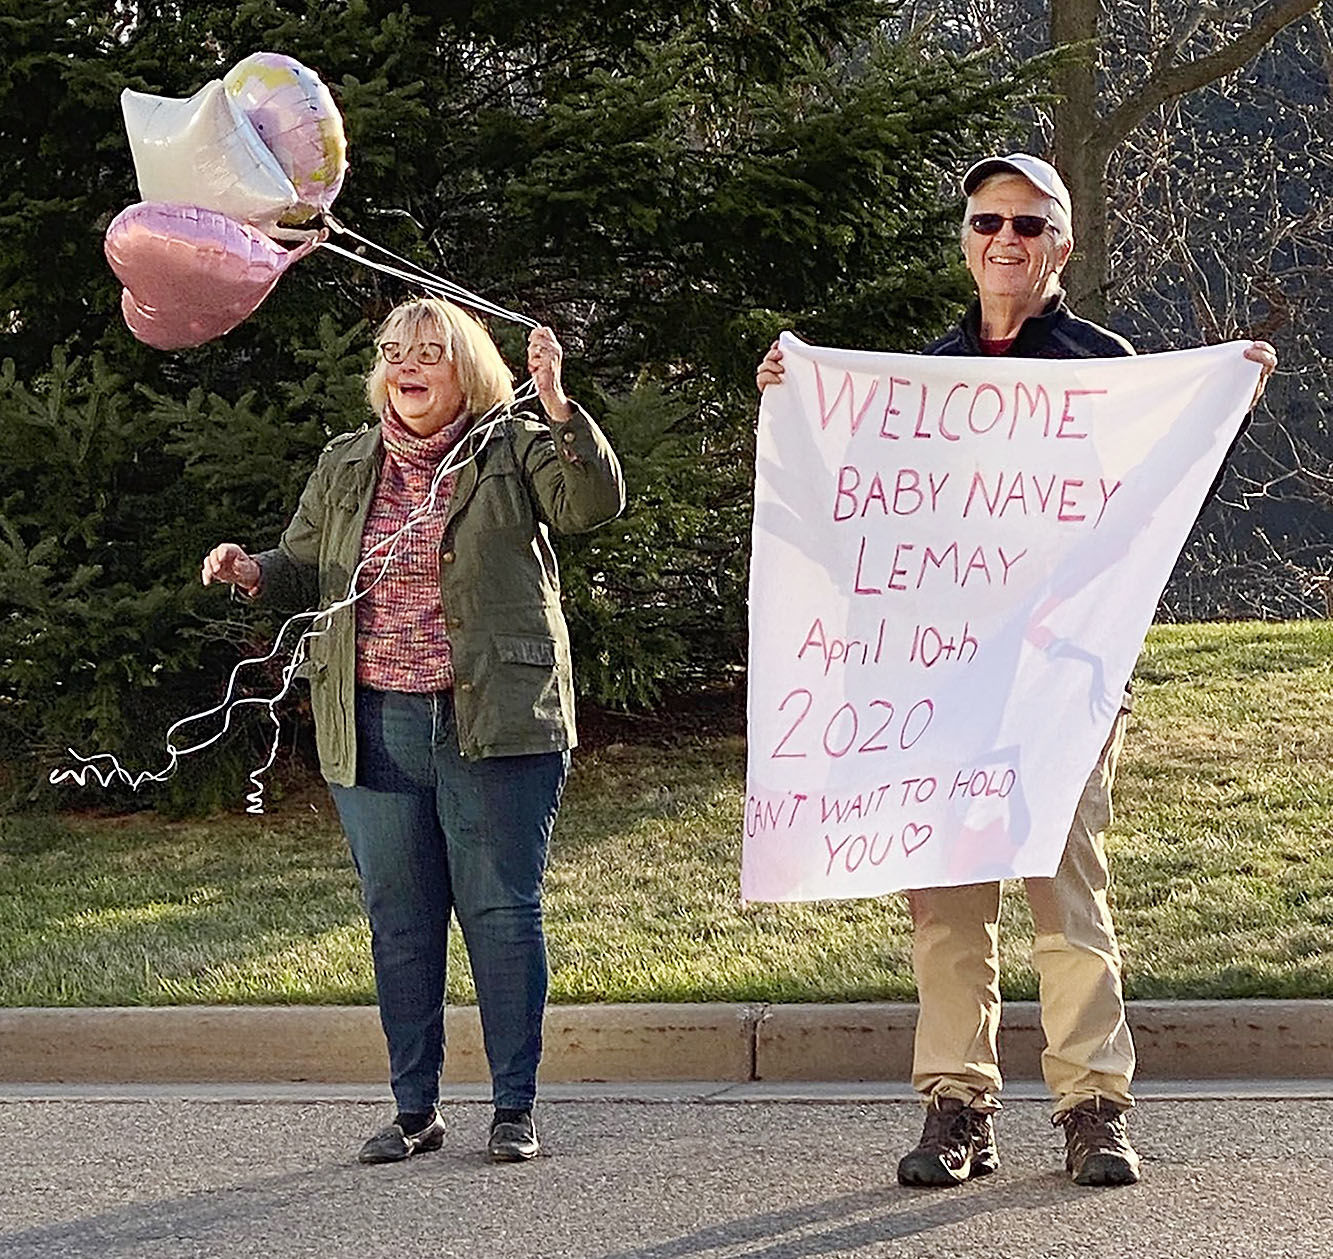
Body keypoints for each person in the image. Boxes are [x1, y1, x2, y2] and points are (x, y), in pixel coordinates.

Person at [756, 153, 1276, 1188]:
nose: (1004, 239)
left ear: (1060, 246)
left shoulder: (1101, 368)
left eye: (1027, 226)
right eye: (987, 221)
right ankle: (957, 1104)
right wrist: (792, 399)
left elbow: (1157, 505)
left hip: (1057, 682)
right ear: (964, 240)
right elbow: (850, 514)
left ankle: (1092, 1105)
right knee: (944, 902)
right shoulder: (924, 380)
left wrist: (1217, 403)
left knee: (1062, 892)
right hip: (936, 681)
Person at [202, 296, 625, 1165]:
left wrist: (555, 403)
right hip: (374, 721)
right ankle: (414, 1109)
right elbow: (304, 562)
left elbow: (590, 503)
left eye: (430, 351)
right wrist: (251, 569)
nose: (409, 365)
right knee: (400, 919)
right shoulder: (348, 462)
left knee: (501, 913)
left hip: (497, 720)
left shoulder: (510, 447)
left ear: (466, 367)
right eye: (396, 351)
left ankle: (513, 1108)